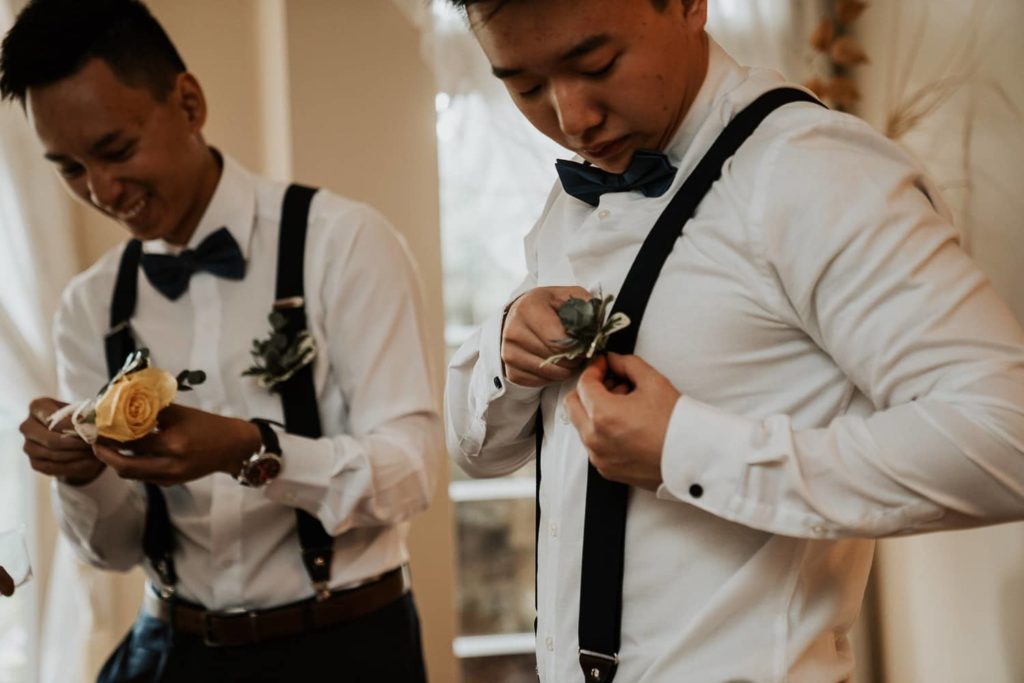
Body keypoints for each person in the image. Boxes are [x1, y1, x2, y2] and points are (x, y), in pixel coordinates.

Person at [443, 0, 1024, 681]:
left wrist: (684, 449)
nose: (571, 120)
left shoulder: (814, 170)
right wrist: (506, 349)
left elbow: (1003, 436)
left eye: (595, 64)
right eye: (526, 87)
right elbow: (474, 454)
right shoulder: (571, 201)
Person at [4, 0, 440, 680]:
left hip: (345, 645)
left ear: (189, 101)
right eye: (69, 168)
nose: (102, 189)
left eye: (116, 150)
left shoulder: (345, 243)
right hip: (171, 650)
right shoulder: (88, 305)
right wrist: (82, 472)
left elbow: (410, 472)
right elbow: (114, 550)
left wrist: (254, 449)